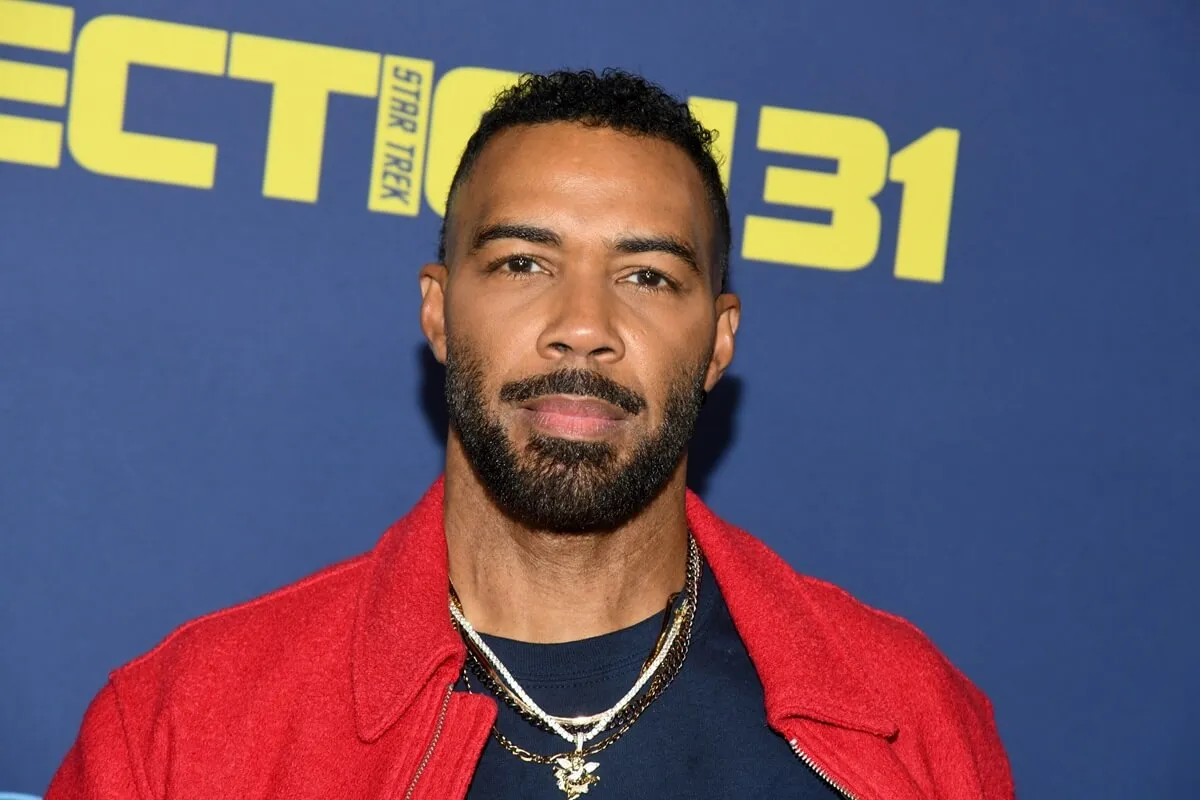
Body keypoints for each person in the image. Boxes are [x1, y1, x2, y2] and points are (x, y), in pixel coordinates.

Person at [47, 69, 1013, 799]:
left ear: (719, 340)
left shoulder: (910, 722)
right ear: (438, 312)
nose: (582, 324)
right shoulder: (185, 728)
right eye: (521, 262)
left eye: (647, 277)